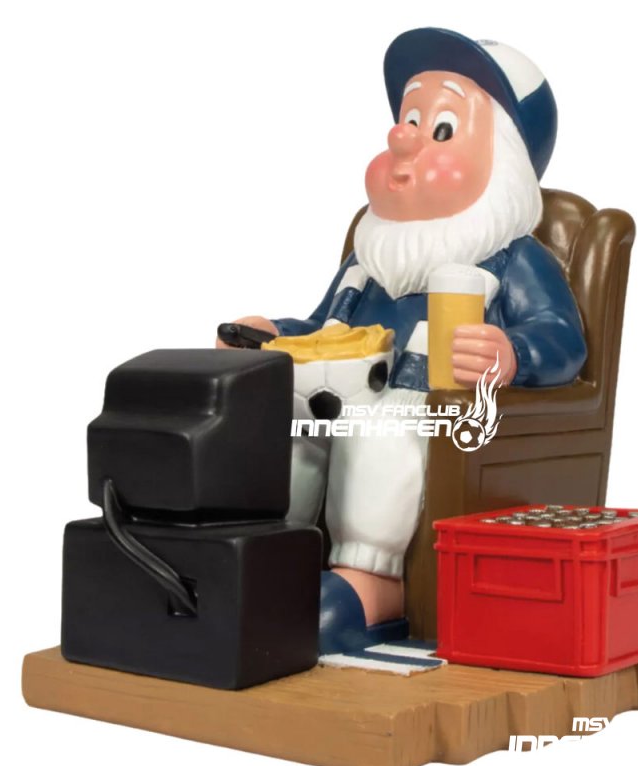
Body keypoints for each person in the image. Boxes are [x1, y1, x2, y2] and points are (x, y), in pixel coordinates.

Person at [217, 28, 587, 653]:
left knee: (380, 436)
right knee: (286, 427)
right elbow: (325, 330)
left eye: (440, 129)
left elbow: (562, 339)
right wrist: (274, 335)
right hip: (338, 402)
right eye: (409, 120)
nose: (401, 139)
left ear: (503, 162)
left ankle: (372, 584)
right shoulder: (369, 258)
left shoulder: (512, 260)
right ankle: (275, 552)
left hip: (427, 414)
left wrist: (512, 353)